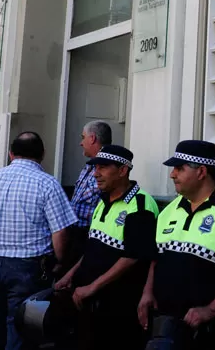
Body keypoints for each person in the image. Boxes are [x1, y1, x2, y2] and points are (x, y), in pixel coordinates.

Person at [138, 140, 215, 349]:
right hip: (164, 327)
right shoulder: (171, 209)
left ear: (202, 171)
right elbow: (156, 258)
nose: (172, 174)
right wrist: (147, 293)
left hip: (209, 331)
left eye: (179, 169)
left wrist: (211, 310)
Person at [0, 132, 77, 350]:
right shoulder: (48, 184)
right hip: (30, 269)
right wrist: (60, 261)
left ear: (11, 153)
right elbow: (61, 231)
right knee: (23, 329)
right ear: (42, 154)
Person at [53, 145, 158, 350]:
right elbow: (93, 247)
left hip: (117, 307)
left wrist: (92, 287)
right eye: (95, 167)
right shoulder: (102, 201)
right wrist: (70, 275)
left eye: (103, 167)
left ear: (122, 170)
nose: (96, 174)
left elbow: (132, 256)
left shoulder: (141, 206)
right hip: (86, 302)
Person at [68, 121, 110, 261]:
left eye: (83, 137)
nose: (81, 142)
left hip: (90, 239)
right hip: (74, 238)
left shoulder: (110, 170)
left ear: (92, 138)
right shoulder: (88, 167)